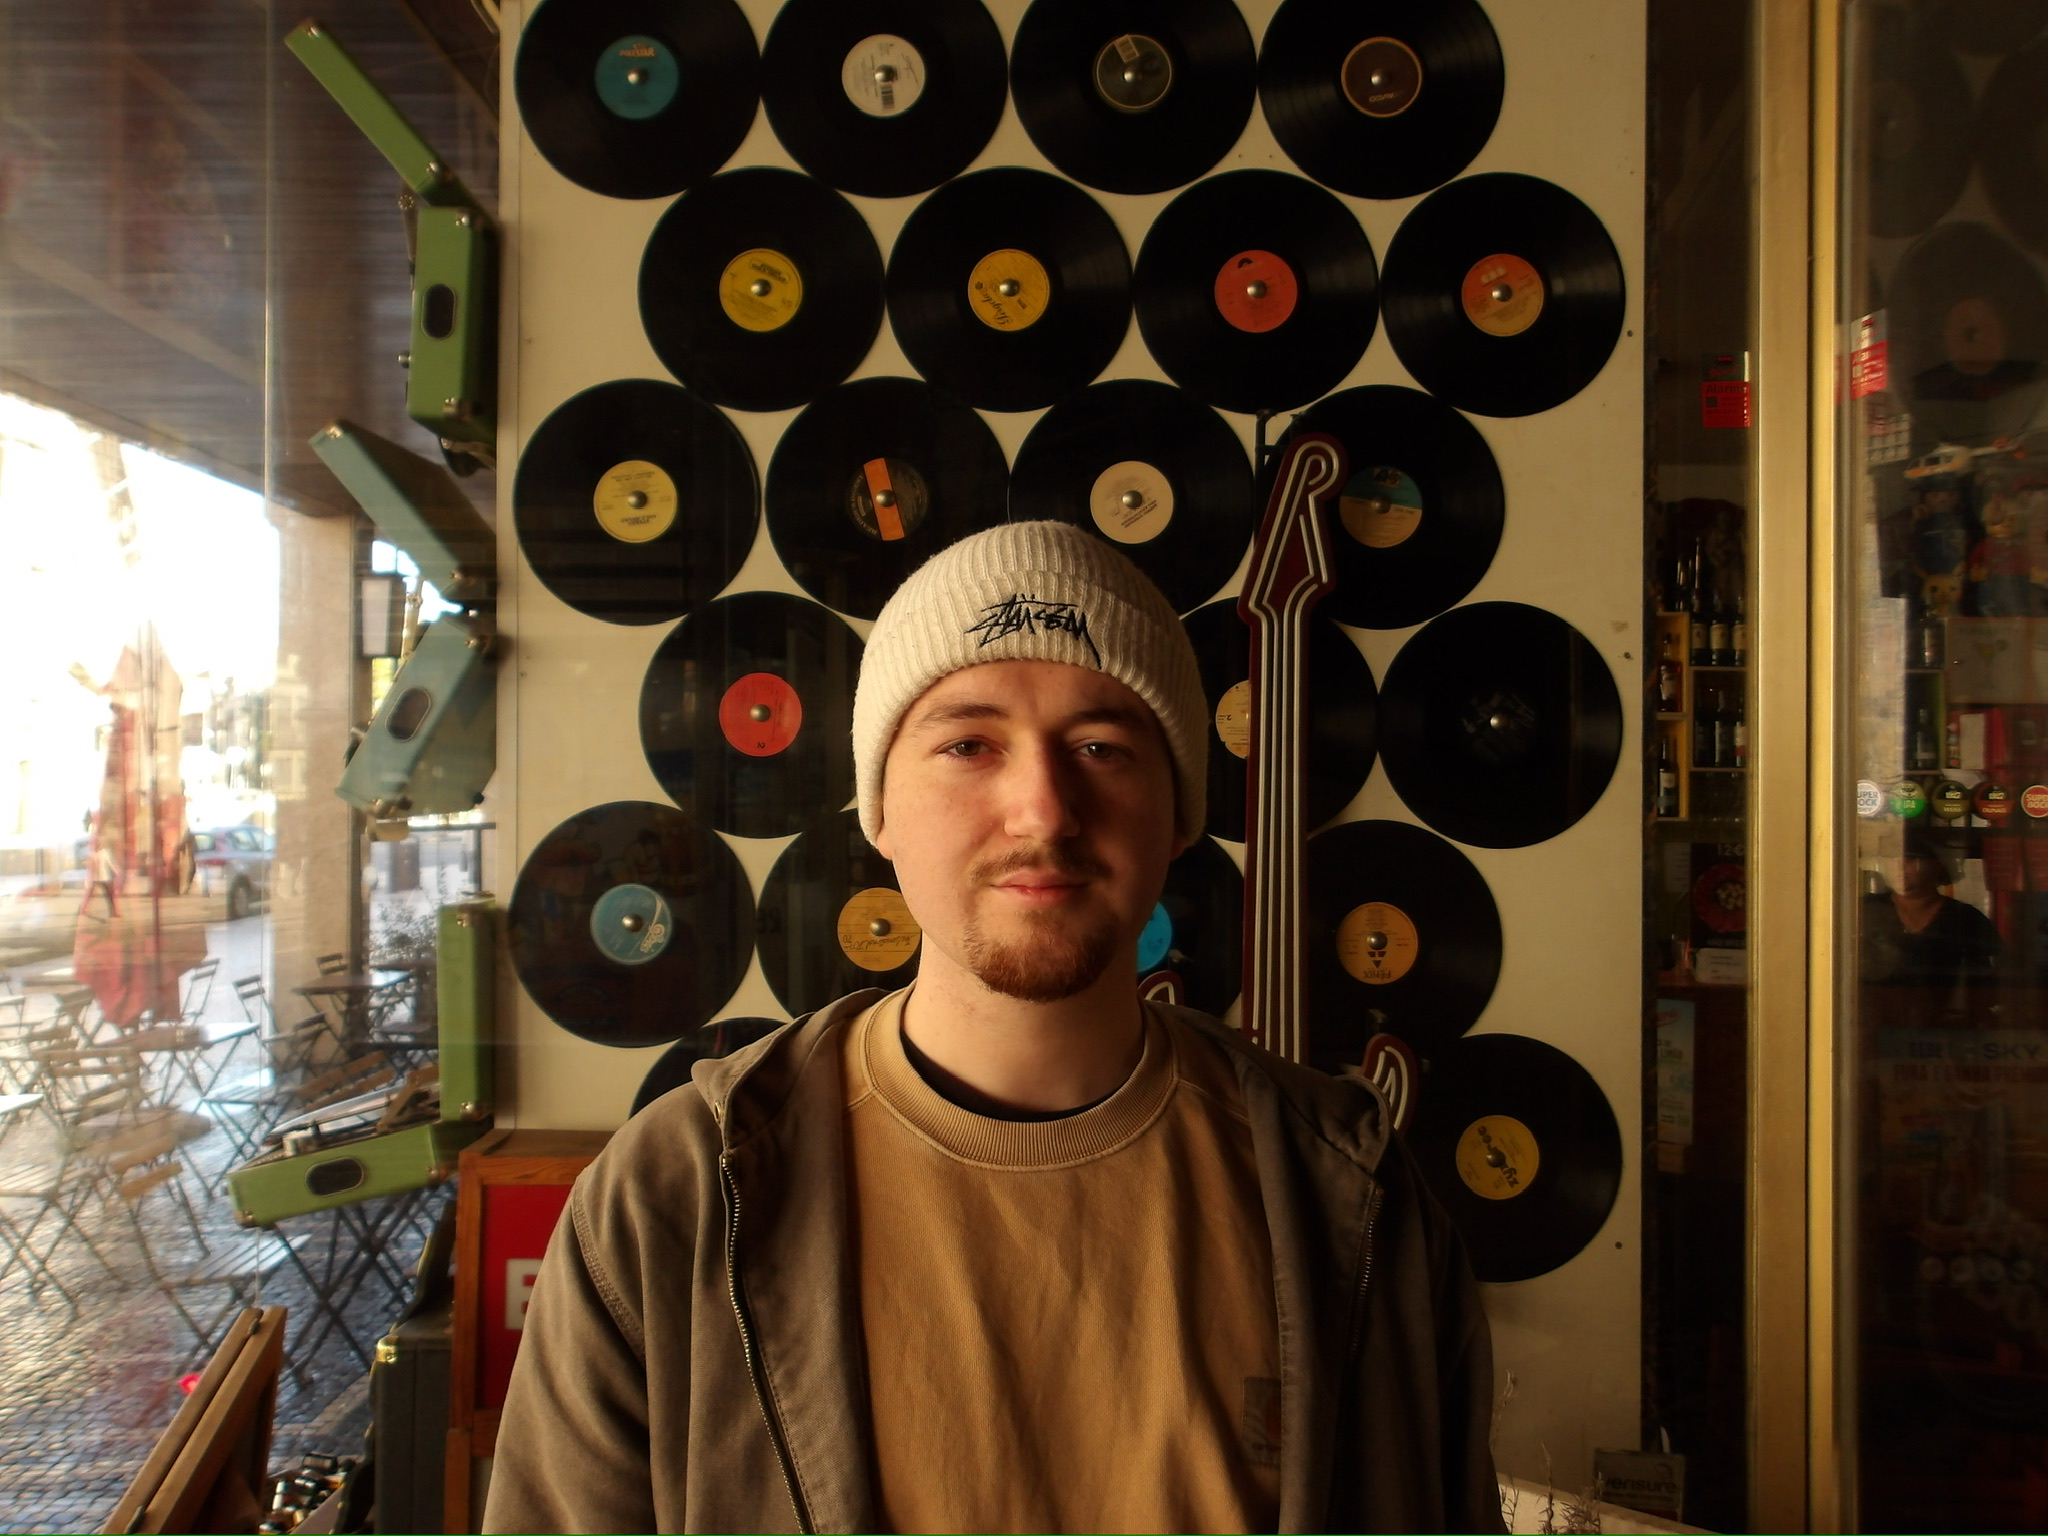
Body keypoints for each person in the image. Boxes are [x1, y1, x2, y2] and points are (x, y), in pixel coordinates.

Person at [484, 522, 1502, 1535]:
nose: (1042, 811)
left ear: (1179, 811)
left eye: (1100, 747)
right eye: (968, 745)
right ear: (880, 809)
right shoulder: (668, 1201)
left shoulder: (1356, 1196)